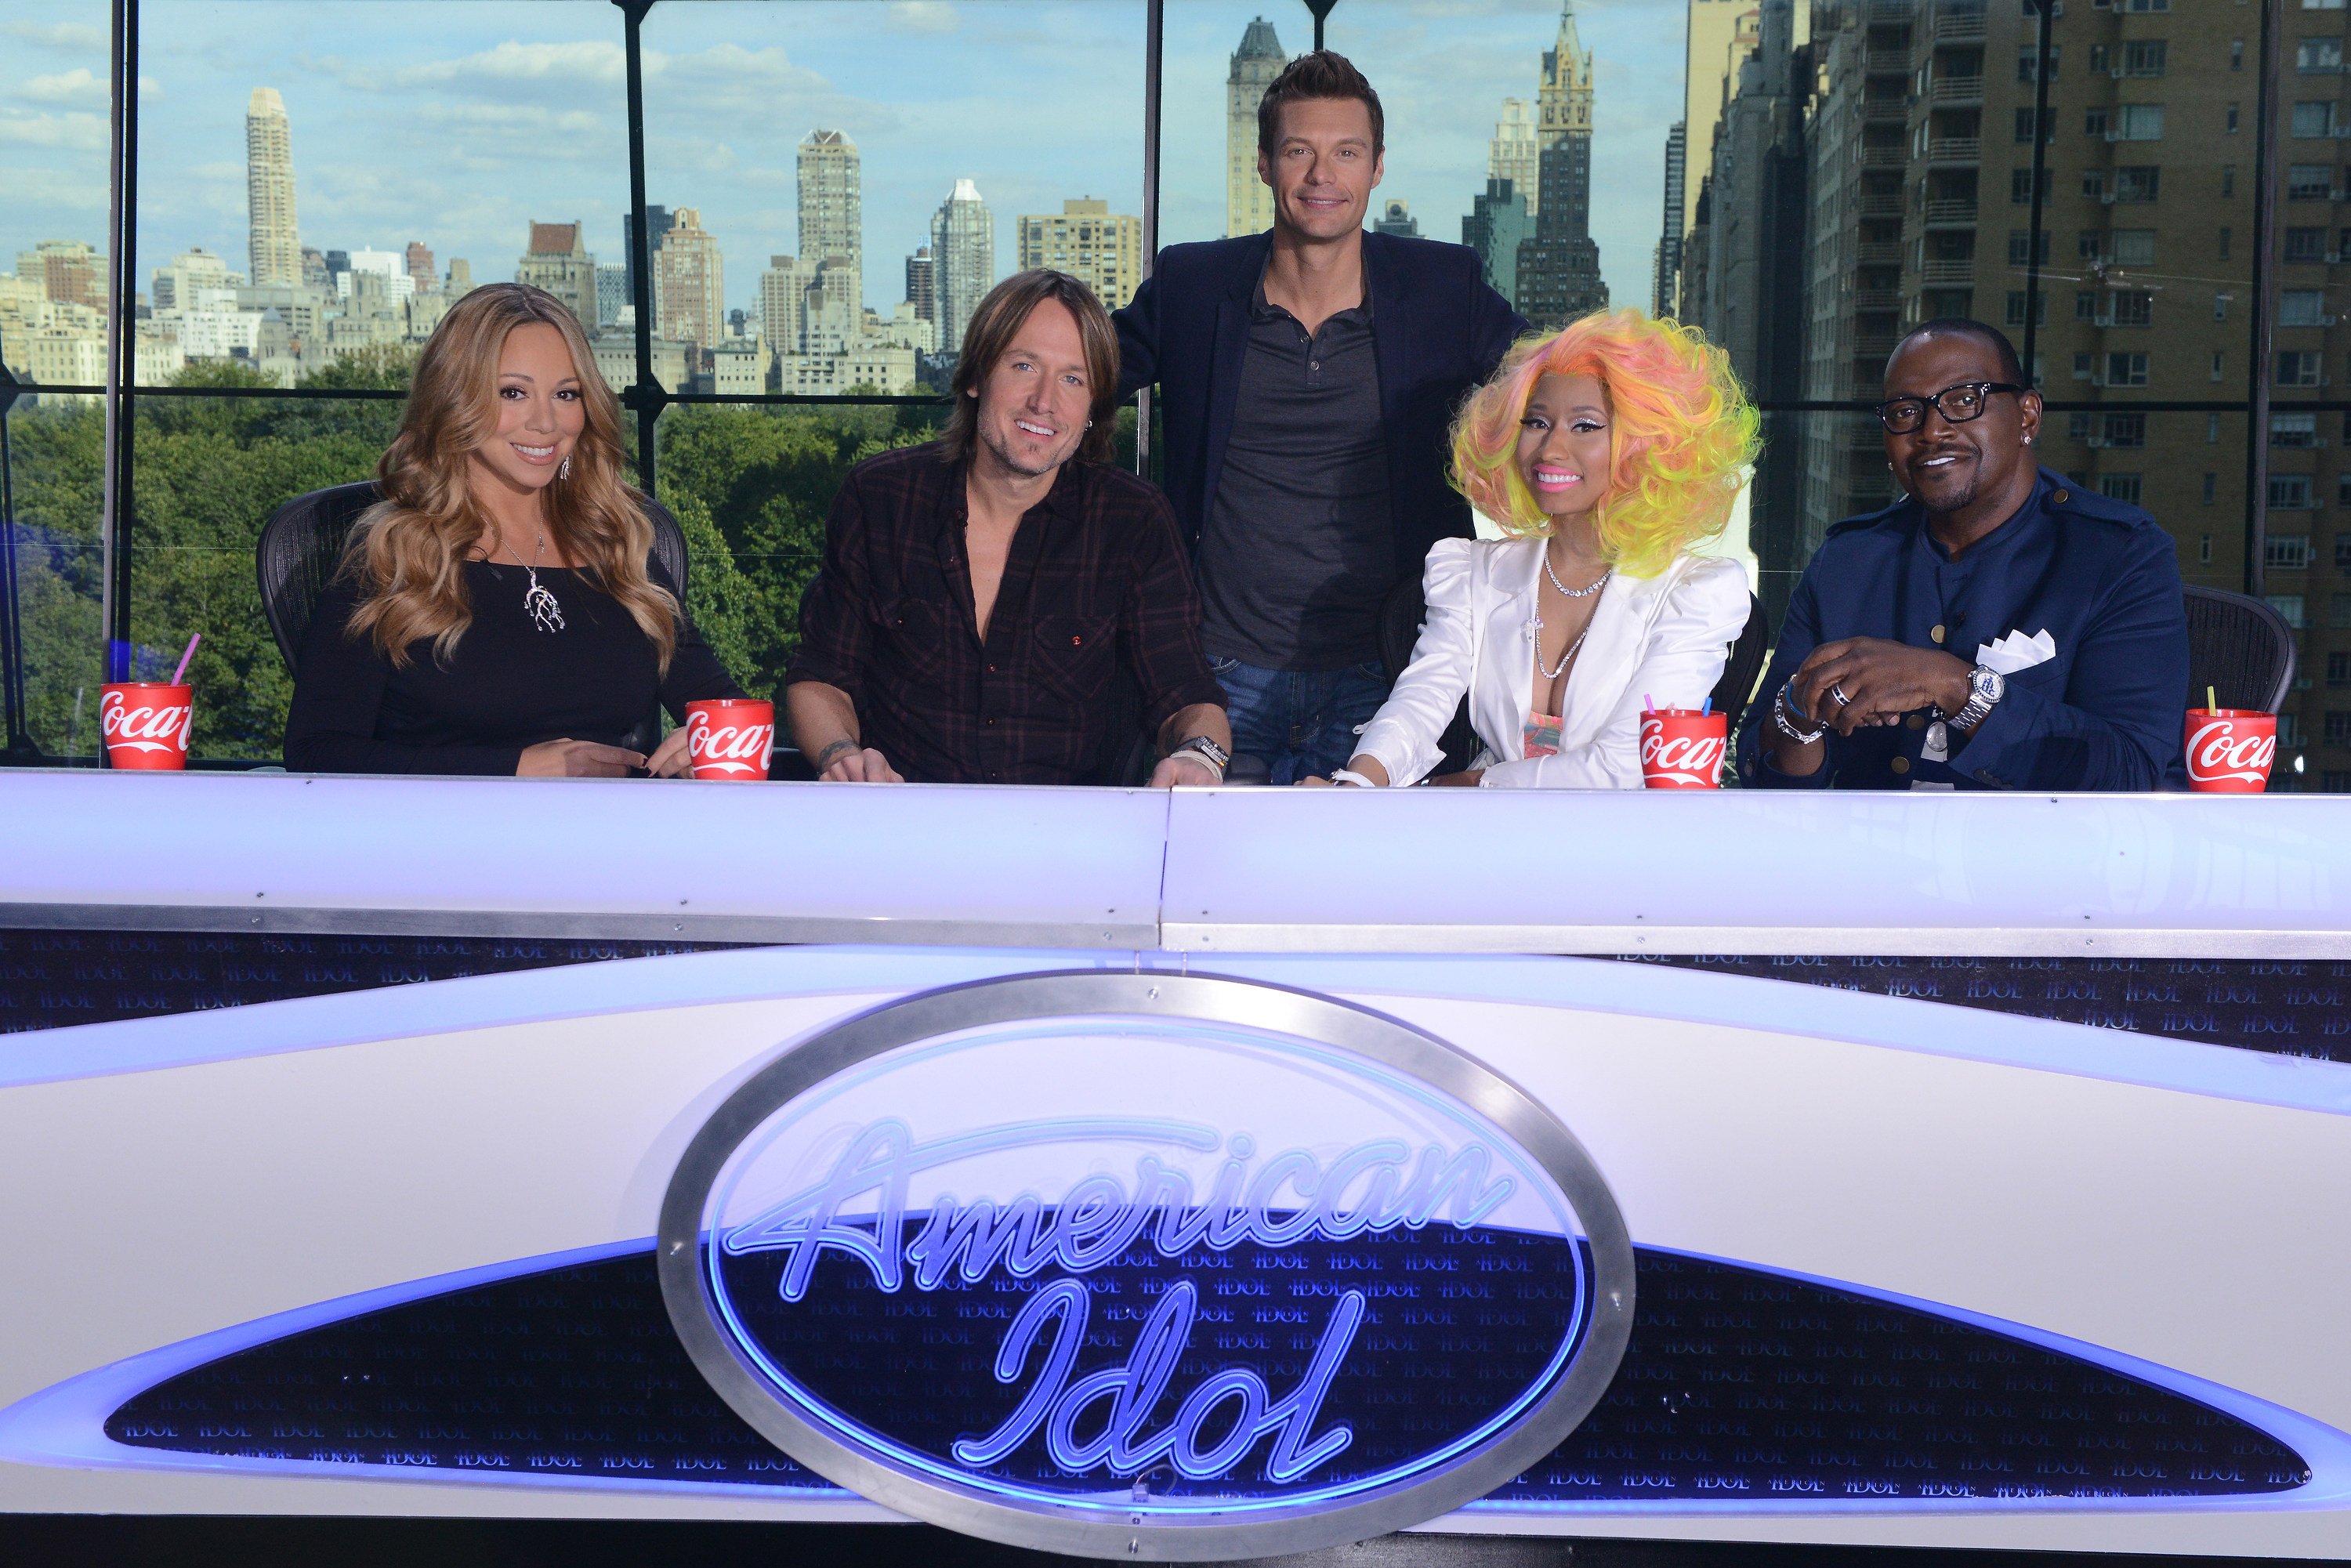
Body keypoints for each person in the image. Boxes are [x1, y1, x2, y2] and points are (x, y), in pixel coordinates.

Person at [1114, 51, 1527, 783]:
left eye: (1346, 153)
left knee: (1364, 893)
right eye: (1299, 151)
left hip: (1388, 673)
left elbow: (1551, 383)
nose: (1321, 175)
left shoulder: (1442, 287)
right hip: (1219, 670)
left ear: (1376, 167)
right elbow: (1080, 375)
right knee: (1216, 888)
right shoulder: (1193, 284)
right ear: (1266, 163)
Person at [784, 270, 1230, 787]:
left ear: (1092, 409)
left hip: (1067, 842)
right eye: (1024, 366)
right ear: (977, 376)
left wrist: (1199, 757)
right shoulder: (881, 497)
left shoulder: (1133, 520)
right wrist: (842, 755)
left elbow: (1186, 694)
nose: (1045, 401)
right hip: (902, 824)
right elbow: (820, 676)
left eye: (1073, 379)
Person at [284, 283, 743, 777]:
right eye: (513, 393)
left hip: (607, 842)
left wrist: (709, 741)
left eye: (566, 394)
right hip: (445, 844)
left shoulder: (617, 543)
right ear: (455, 399)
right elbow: (318, 752)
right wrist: (514, 768)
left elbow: (725, 710)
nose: (546, 422)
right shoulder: (392, 558)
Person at [1303, 311, 1757, 789]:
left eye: (1585, 426)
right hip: (1487, 840)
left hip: (1618, 849)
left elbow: (1625, 767)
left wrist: (1463, 788)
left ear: (1645, 444)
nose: (1550, 449)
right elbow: (1421, 699)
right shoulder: (1472, 572)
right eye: (1537, 422)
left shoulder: (1697, 592)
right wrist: (1358, 785)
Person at [1736, 319, 2190, 791]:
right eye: (1905, 411)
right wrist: (1800, 714)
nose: (1932, 431)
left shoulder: (2117, 552)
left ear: (2027, 418)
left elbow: (2132, 770)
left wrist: (1953, 685)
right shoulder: (1848, 559)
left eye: (1963, 401)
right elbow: (1760, 777)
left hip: (2041, 859)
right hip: (1865, 855)